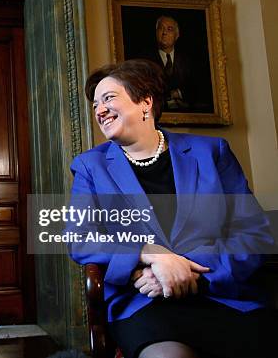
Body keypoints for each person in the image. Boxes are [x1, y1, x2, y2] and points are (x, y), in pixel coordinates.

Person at [68, 59, 275, 358]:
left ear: (145, 103)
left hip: (221, 294)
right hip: (144, 300)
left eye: (109, 98)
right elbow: (80, 239)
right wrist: (148, 252)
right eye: (95, 103)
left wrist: (190, 274)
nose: (99, 109)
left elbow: (254, 234)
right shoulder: (90, 166)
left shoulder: (211, 152)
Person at [141, 15, 198, 112]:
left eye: (169, 29)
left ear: (177, 35)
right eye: (161, 29)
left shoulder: (188, 61)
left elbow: (197, 87)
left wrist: (178, 93)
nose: (164, 33)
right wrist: (169, 95)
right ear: (156, 32)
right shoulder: (144, 61)